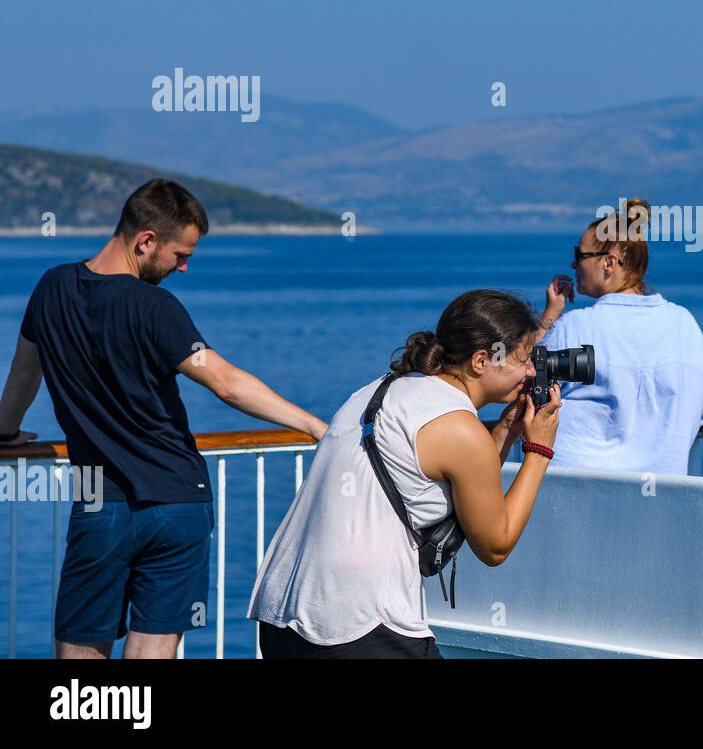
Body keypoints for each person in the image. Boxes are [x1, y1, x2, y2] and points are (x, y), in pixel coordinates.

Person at [0, 178, 328, 659]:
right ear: (146, 240)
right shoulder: (156, 308)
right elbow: (226, 383)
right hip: (177, 502)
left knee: (78, 652)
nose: (184, 266)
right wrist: (318, 427)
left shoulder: (50, 289)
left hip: (99, 500)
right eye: (180, 254)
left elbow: (21, 380)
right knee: (152, 651)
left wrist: (5, 434)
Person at [248, 289, 561, 659]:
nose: (531, 371)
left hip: (285, 612)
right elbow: (495, 545)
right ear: (481, 360)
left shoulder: (381, 389)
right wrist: (539, 451)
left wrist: (509, 427)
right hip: (360, 623)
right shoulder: (459, 427)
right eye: (524, 357)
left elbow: (457, 474)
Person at [536, 197, 703, 475]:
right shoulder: (684, 325)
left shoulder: (574, 327)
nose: (574, 266)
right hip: (662, 500)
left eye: (579, 255)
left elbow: (523, 381)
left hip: (573, 494)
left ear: (609, 263)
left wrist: (550, 317)